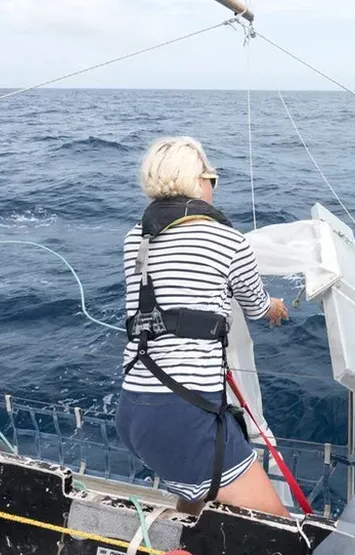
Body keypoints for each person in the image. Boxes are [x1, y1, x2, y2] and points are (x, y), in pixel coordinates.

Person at [116, 136, 290, 517]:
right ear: (197, 181)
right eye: (211, 177)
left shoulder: (135, 239)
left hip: (133, 411)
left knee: (195, 495)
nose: (213, 185)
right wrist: (276, 307)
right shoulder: (228, 240)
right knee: (279, 529)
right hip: (184, 415)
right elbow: (259, 307)